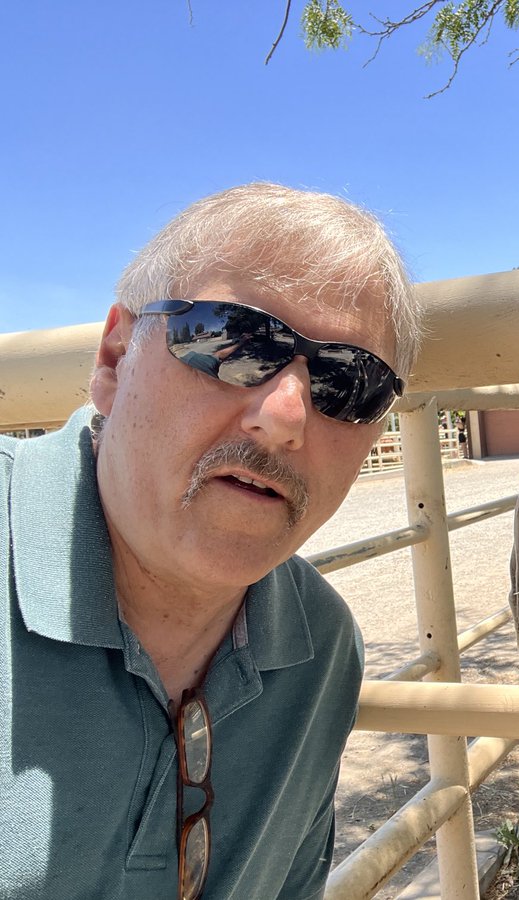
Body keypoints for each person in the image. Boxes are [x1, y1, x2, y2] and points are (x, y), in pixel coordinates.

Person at [0, 182, 420, 899]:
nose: (285, 416)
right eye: (230, 340)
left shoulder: (320, 653)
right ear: (113, 358)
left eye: (348, 383)